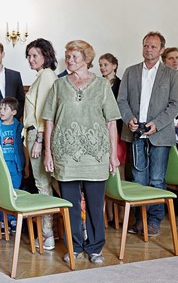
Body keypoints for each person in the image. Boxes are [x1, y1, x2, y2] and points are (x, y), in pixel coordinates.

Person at [43, 40, 121, 264]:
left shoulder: (102, 86)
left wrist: (113, 155)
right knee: (71, 205)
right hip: (66, 154)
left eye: (75, 57)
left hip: (96, 153)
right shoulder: (59, 85)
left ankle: (95, 248)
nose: (70, 61)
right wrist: (48, 152)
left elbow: (111, 122)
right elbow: (49, 120)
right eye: (68, 57)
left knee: (96, 205)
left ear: (87, 59)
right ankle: (75, 246)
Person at [117, 31, 178, 237]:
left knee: (156, 180)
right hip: (136, 132)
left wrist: (158, 123)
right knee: (138, 180)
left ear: (161, 50)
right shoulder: (130, 72)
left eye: (153, 46)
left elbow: (176, 105)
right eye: (146, 45)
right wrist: (129, 119)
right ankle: (140, 220)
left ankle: (154, 221)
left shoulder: (172, 74)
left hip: (159, 134)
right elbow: (121, 100)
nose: (148, 50)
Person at [23, 38, 58, 250]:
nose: (30, 59)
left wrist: (39, 140)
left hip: (38, 134)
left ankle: (48, 235)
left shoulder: (46, 75)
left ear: (45, 56)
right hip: (33, 134)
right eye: (28, 56)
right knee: (45, 184)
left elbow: (47, 110)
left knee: (43, 185)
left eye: (35, 55)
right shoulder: (41, 76)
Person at [0, 97, 29, 231]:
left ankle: (12, 221)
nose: (1, 111)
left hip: (16, 165)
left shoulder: (19, 127)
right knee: (3, 192)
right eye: (0, 108)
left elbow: (24, 147)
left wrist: (26, 167)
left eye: (5, 109)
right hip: (2, 165)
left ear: (14, 112)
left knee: (15, 192)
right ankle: (2, 221)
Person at [99, 53, 127, 224]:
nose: (102, 68)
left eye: (105, 65)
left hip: (117, 130)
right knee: (105, 173)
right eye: (100, 65)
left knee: (119, 171)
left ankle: (123, 215)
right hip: (101, 130)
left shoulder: (121, 85)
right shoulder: (98, 84)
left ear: (114, 66)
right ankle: (109, 215)